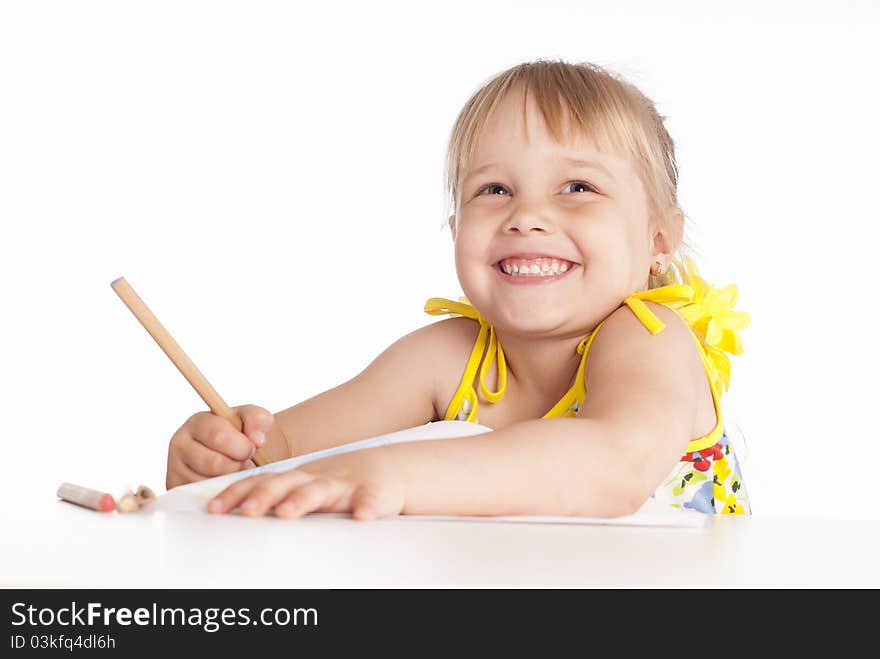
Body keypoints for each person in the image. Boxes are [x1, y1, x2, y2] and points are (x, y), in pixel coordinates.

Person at [165, 59, 751, 520]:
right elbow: (288, 454)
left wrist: (396, 474)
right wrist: (226, 457)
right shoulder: (447, 356)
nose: (527, 216)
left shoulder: (648, 338)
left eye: (576, 186)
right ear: (454, 228)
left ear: (658, 239)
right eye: (494, 190)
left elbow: (613, 467)